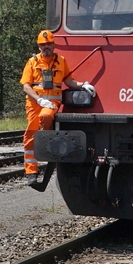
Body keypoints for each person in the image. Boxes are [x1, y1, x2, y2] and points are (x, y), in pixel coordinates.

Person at [21, 29, 95, 178]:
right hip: (34, 104)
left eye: (48, 44)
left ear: (54, 45)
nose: (45, 47)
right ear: (38, 46)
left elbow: (68, 81)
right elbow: (26, 86)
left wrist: (83, 85)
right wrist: (39, 99)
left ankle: (45, 139)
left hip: (52, 102)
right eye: (43, 44)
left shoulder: (61, 61)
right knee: (29, 136)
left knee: (47, 116)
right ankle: (31, 172)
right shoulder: (33, 62)